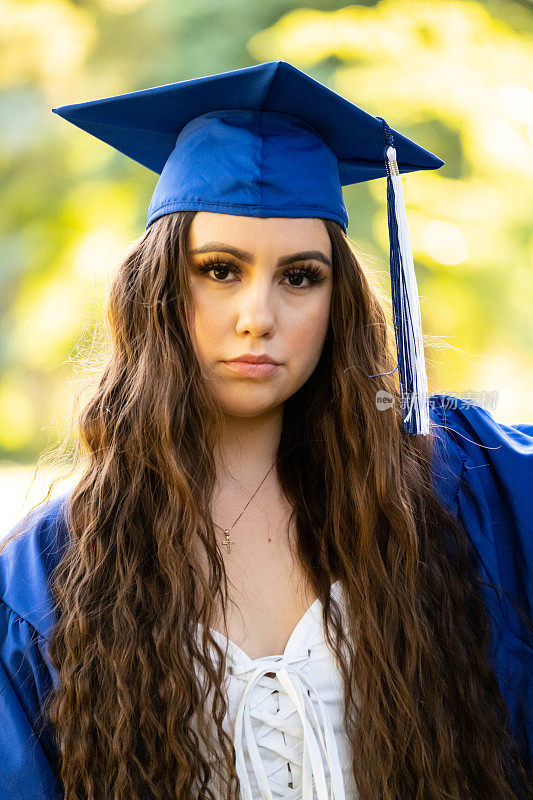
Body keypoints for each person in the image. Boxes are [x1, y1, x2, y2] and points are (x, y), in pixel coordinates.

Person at [0, 61, 531, 800]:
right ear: (158, 292)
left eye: (300, 276)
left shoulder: (464, 491)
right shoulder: (49, 579)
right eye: (219, 270)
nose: (258, 316)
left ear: (337, 301)